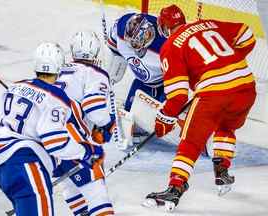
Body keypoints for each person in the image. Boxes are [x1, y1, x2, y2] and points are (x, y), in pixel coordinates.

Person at [143, 4, 257, 212]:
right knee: (226, 125)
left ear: (164, 27)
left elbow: (178, 97)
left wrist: (163, 118)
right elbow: (247, 34)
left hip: (214, 94)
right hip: (246, 87)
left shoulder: (169, 47)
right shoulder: (207, 23)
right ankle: (222, 169)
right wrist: (230, 61)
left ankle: (175, 188)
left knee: (191, 141)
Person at [0, 42, 104, 216]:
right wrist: (85, 152)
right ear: (59, 67)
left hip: (3, 170)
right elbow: (55, 142)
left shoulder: (15, 87)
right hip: (27, 166)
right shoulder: (56, 97)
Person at [54, 31, 115, 216]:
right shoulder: (95, 73)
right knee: (97, 193)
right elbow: (94, 108)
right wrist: (107, 124)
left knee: (70, 181)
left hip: (46, 139)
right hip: (69, 137)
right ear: (96, 52)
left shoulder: (57, 70)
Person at [107, 12, 167, 112]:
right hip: (141, 83)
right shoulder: (120, 27)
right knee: (128, 113)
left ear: (147, 35)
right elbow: (114, 48)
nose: (134, 48)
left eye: (137, 43)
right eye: (132, 44)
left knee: (157, 120)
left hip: (165, 86)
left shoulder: (164, 46)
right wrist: (112, 74)